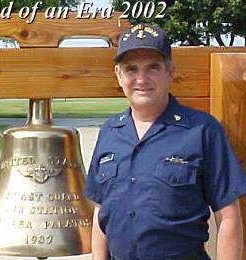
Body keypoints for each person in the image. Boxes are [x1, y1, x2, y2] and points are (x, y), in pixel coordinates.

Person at [84, 23, 246, 260]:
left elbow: (228, 215)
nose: (141, 79)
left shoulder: (202, 130)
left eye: (152, 67)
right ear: (118, 75)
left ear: (170, 72)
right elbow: (101, 211)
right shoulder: (110, 131)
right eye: (131, 69)